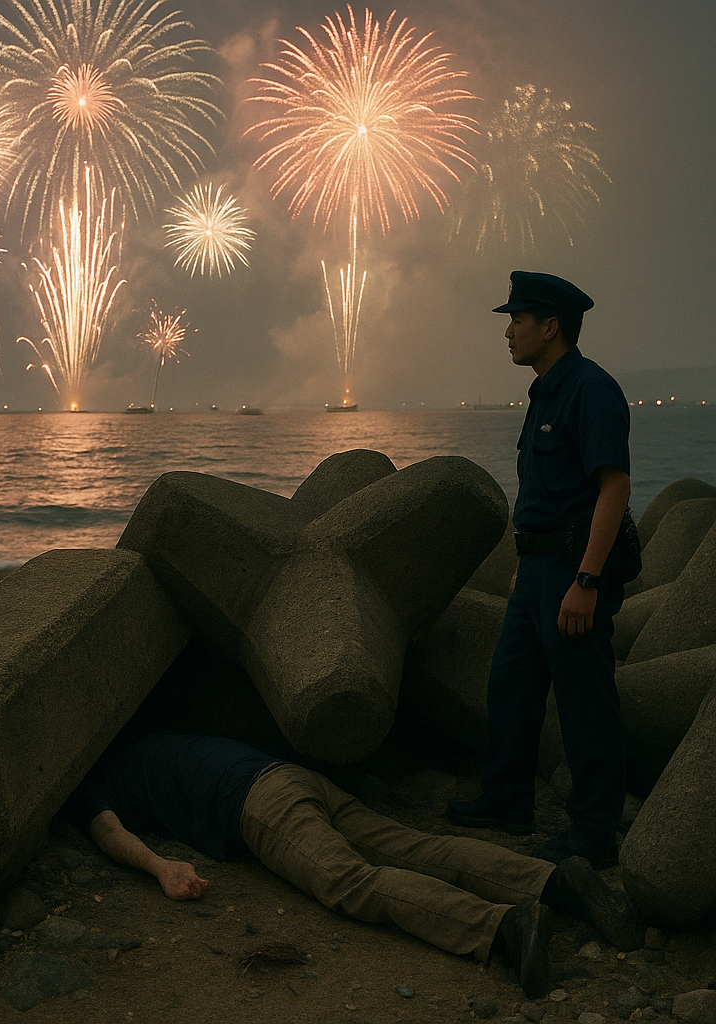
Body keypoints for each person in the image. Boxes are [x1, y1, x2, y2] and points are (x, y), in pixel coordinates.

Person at [67, 733, 642, 999]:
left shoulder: (92, 776)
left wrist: (161, 866)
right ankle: (555, 881)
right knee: (414, 846)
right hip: (290, 775)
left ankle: (502, 927)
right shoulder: (153, 730)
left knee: (349, 882)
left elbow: (108, 831)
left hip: (255, 806)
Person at [447, 272, 639, 869]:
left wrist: (586, 580)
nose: (508, 332)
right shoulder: (544, 393)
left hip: (573, 567)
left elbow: (614, 488)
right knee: (511, 684)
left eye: (518, 320)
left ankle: (594, 832)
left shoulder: (590, 390)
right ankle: (507, 800)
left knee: (584, 700)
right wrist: (524, 564)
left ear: (550, 326)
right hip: (536, 567)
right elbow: (543, 490)